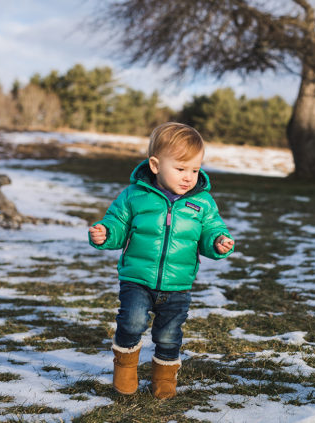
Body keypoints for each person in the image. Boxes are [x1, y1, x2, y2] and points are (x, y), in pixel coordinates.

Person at [88, 122, 234, 399]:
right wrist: (105, 233)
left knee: (169, 335)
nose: (188, 177)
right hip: (137, 278)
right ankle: (125, 372)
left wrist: (218, 242)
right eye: (180, 169)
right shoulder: (134, 195)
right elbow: (117, 224)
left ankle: (164, 379)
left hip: (178, 284)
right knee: (131, 323)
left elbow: (211, 230)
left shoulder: (202, 202)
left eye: (194, 169)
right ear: (155, 165)